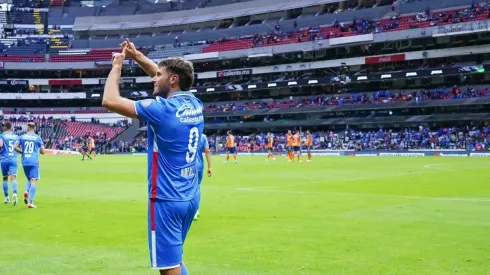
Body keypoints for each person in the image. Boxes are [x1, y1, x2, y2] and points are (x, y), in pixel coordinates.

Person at [102, 38, 204, 275]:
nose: (153, 78)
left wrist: (117, 65)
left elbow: (110, 101)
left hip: (166, 198)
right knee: (175, 258)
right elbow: (164, 83)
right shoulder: (195, 103)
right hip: (190, 195)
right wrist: (137, 57)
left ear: (174, 80)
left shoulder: (162, 110)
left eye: (158, 75)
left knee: (168, 267)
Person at [15, 122, 45, 208]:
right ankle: (30, 202)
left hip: (25, 161)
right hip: (33, 161)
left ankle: (26, 191)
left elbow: (15, 147)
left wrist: (22, 152)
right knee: (34, 181)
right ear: (34, 128)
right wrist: (36, 151)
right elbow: (43, 151)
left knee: (29, 179)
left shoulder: (22, 137)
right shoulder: (37, 138)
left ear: (27, 127)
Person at [0, 122, 19, 205]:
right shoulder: (16, 136)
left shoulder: (2, 136)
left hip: (4, 159)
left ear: (5, 127)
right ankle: (14, 194)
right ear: (11, 128)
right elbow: (19, 147)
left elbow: (0, 145)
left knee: (5, 178)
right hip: (13, 159)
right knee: (13, 178)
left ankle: (7, 198)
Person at [194, 133, 212, 221]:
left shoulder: (185, 132)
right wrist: (210, 167)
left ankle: (187, 209)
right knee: (197, 187)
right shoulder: (203, 136)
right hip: (199, 166)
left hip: (186, 165)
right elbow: (207, 151)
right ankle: (196, 210)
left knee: (186, 187)